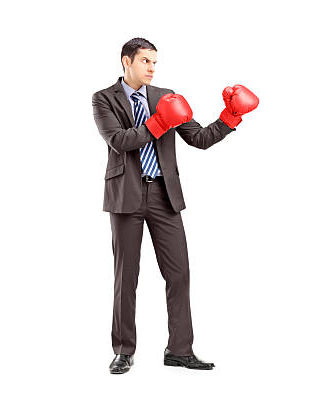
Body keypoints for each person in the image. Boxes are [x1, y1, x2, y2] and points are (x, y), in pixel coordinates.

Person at [92, 37, 259, 374]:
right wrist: (158, 122)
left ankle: (180, 350)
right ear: (127, 62)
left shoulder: (167, 98)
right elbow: (119, 141)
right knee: (126, 276)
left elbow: (199, 138)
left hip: (163, 195)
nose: (152, 68)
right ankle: (124, 350)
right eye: (145, 61)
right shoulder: (103, 98)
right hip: (126, 195)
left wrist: (231, 116)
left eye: (155, 61)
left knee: (179, 273)